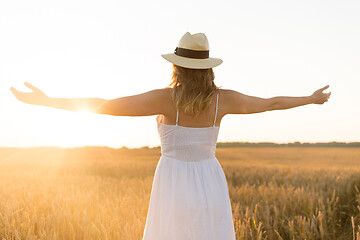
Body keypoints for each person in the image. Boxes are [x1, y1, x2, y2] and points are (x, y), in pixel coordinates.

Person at [10, 32, 331, 240]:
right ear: (207, 67)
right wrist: (310, 98)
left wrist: (48, 101)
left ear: (177, 66)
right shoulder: (224, 99)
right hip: (209, 176)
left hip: (173, 177)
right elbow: (272, 103)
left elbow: (104, 107)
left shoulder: (165, 99)